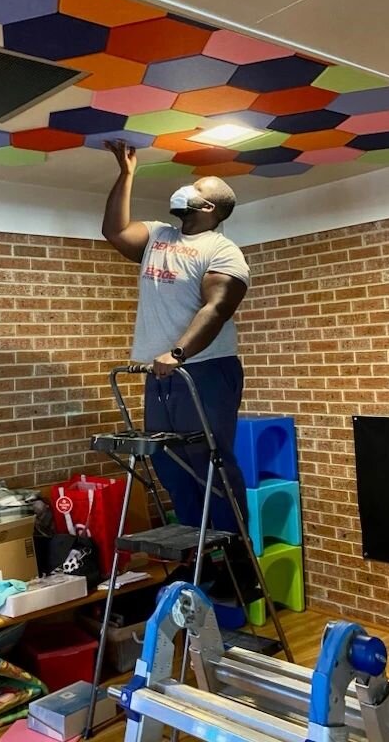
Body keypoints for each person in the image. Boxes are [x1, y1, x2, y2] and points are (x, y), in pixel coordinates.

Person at [101, 139, 250, 534]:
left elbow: (216, 309)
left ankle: (232, 553)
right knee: (168, 459)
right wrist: (126, 174)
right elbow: (114, 230)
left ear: (209, 208)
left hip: (203, 369)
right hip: (162, 372)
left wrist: (178, 353)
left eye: (198, 188)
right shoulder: (158, 236)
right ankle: (195, 547)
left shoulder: (222, 251)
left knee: (208, 460)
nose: (187, 188)